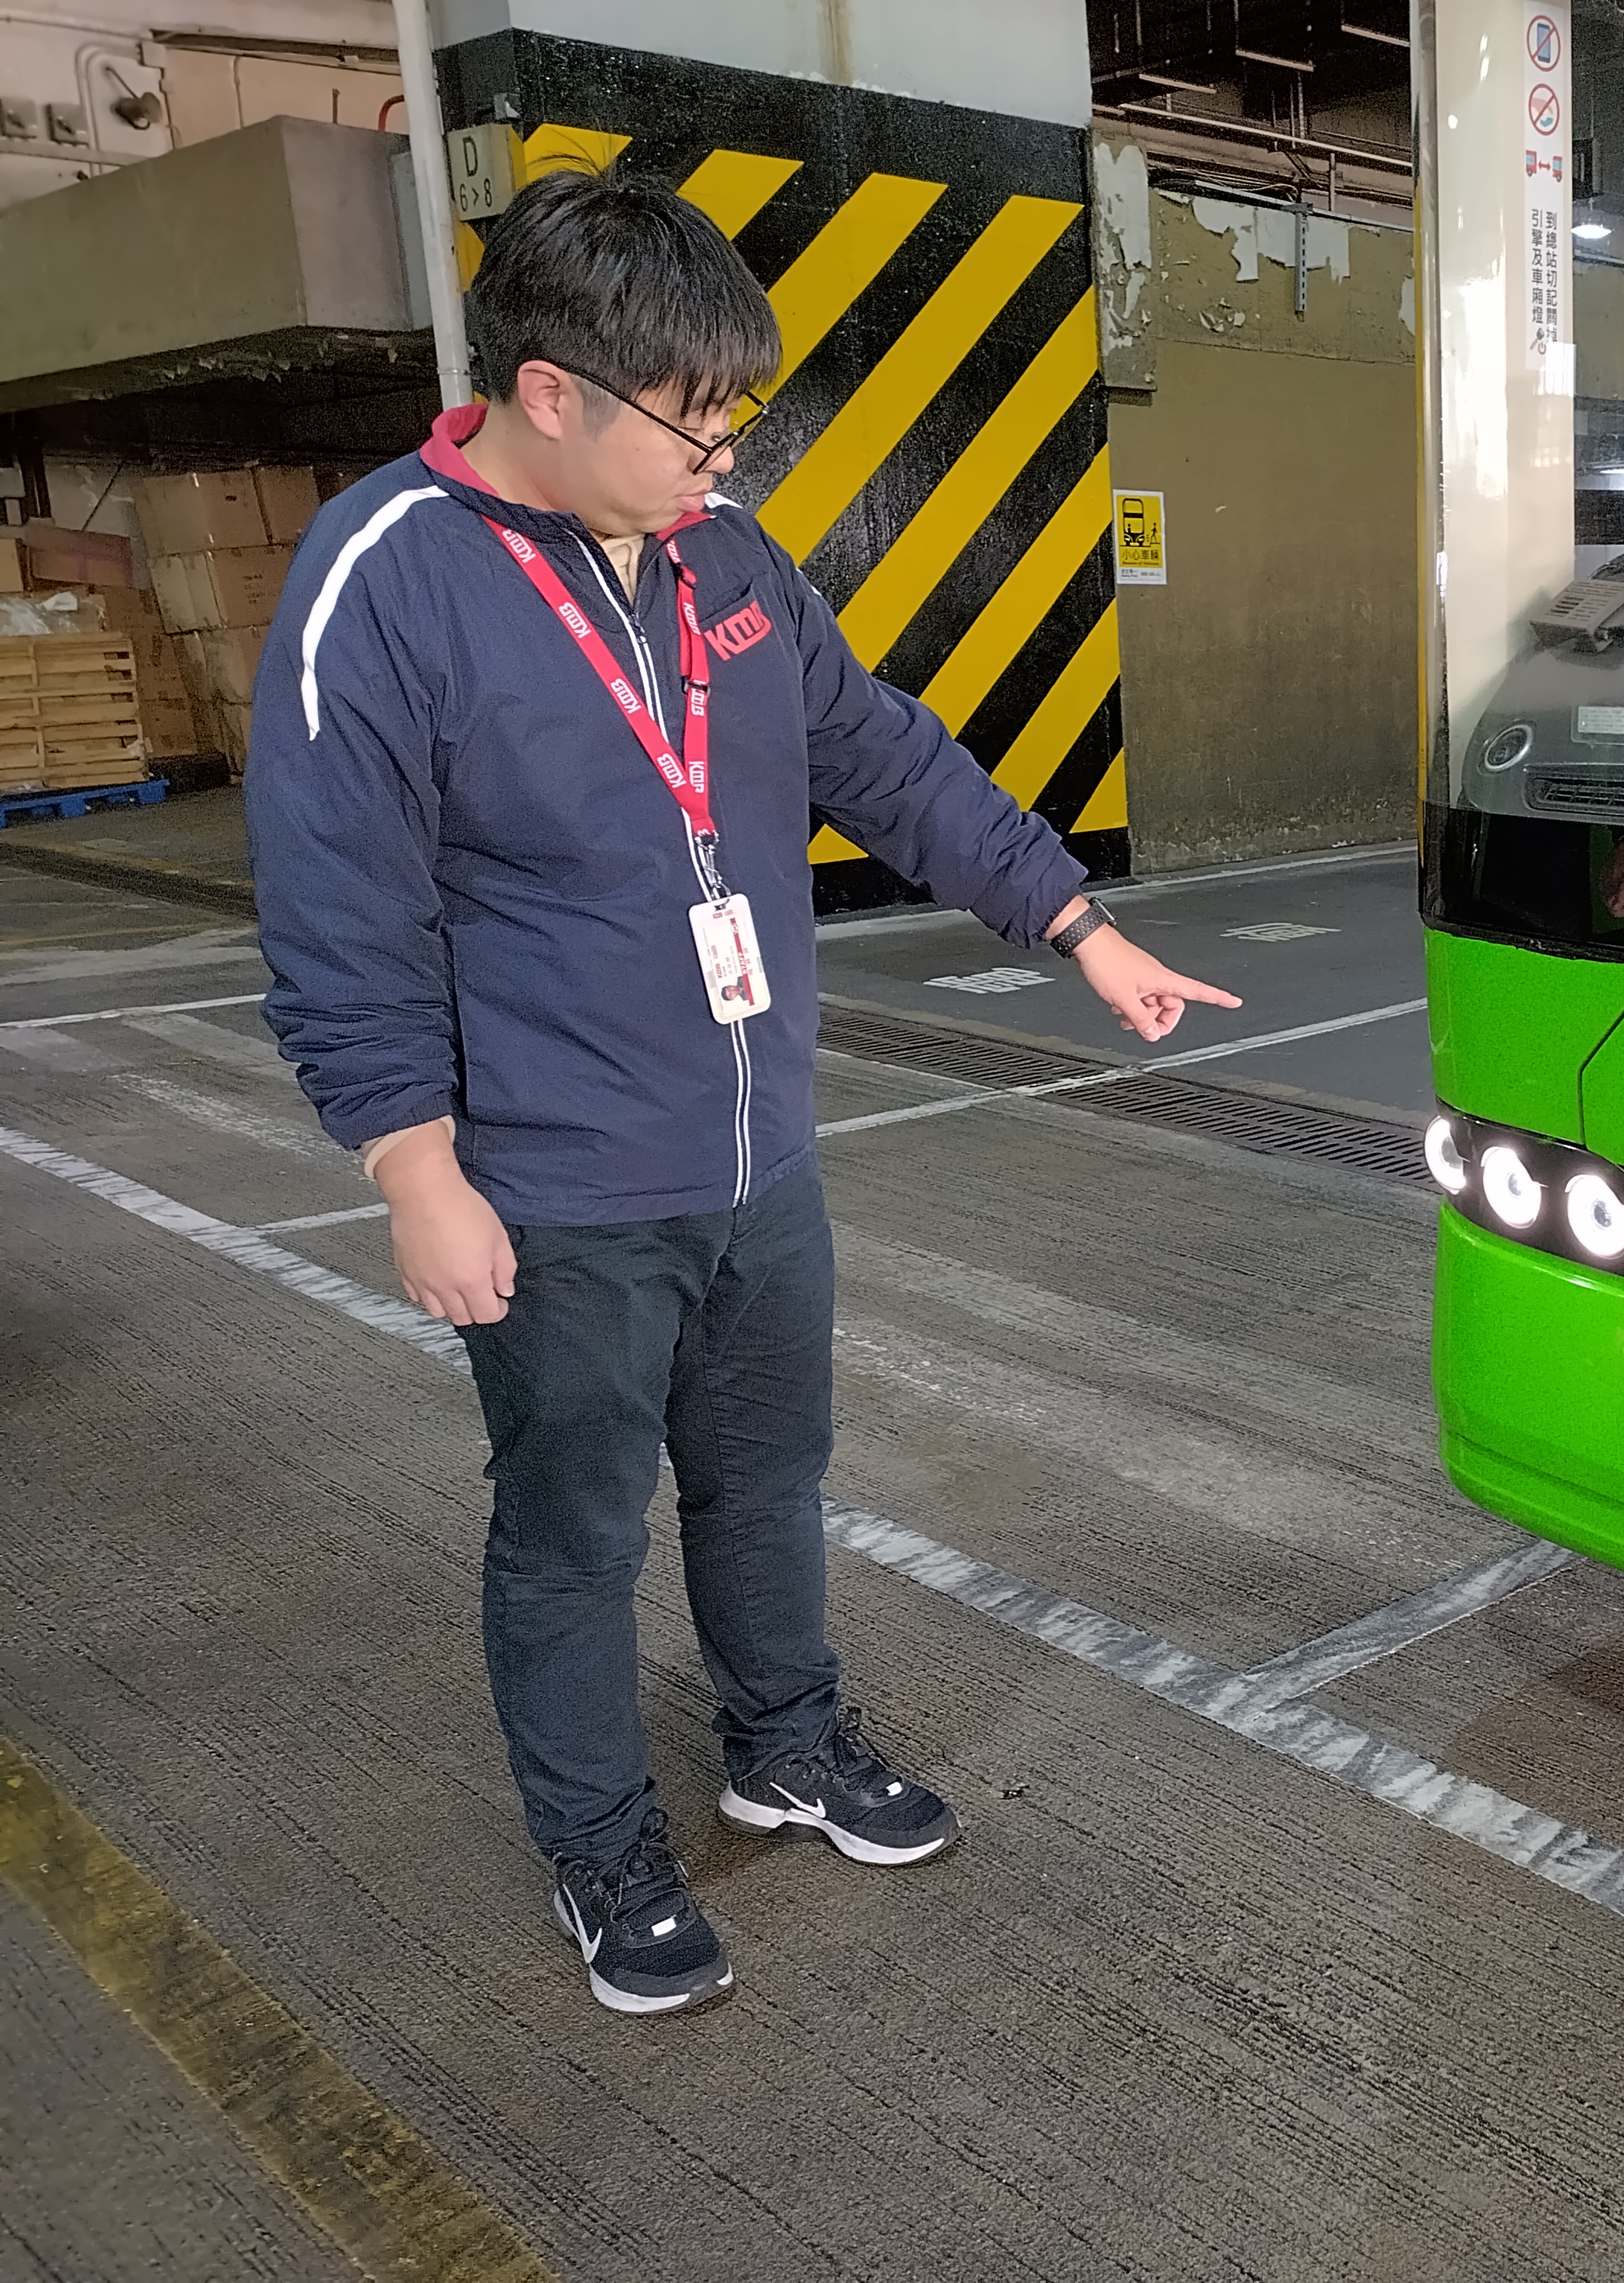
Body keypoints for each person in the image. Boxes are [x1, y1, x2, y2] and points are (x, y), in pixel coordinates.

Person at [246, 165, 1238, 2017]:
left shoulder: (726, 561)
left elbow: (885, 757)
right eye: (692, 416)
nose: (723, 449)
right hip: (554, 1182)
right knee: (572, 1534)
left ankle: (782, 1742)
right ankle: (598, 1841)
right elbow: (336, 902)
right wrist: (411, 1167)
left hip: (755, 1151)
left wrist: (1074, 923)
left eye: (733, 413)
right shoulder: (382, 582)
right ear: (553, 393)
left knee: (769, 1481)